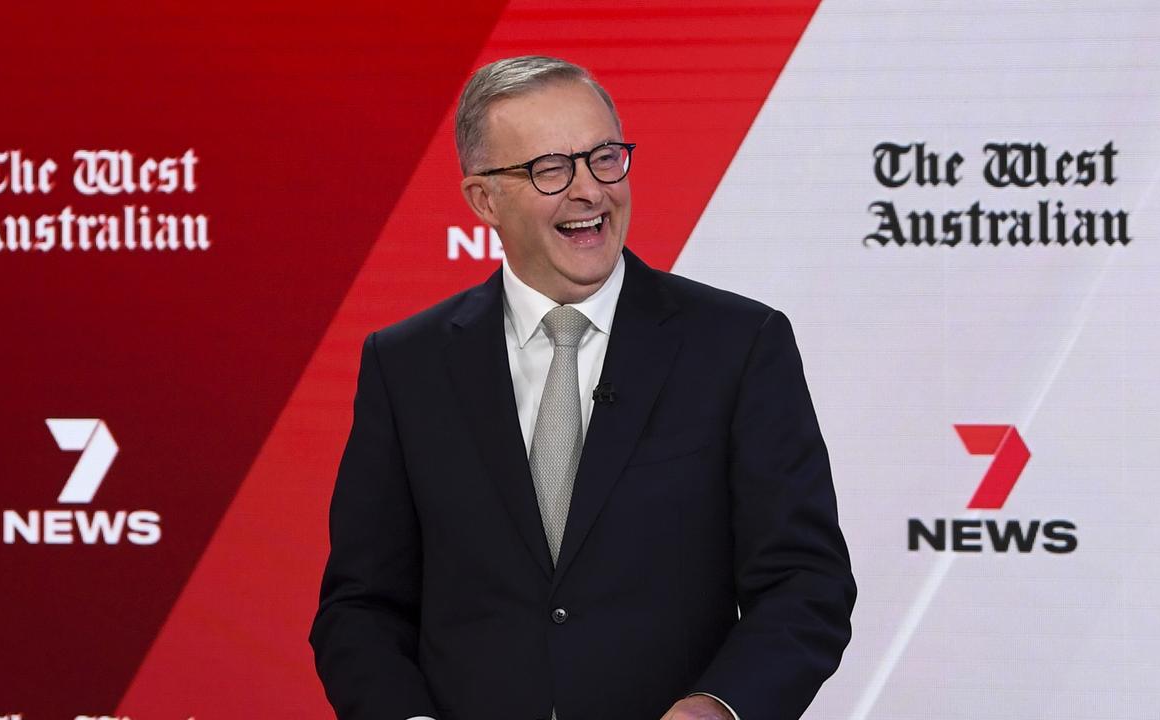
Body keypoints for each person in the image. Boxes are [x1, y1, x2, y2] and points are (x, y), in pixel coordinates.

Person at [310, 55, 856, 720]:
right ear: (484, 198)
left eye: (604, 158)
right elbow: (361, 607)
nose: (590, 190)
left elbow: (805, 583)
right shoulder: (407, 365)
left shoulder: (738, 346)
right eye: (550, 169)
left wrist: (716, 709)